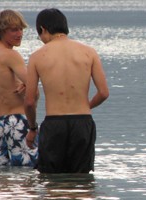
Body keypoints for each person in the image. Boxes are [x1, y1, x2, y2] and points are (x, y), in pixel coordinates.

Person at [24, 8, 109, 173]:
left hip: (54, 124)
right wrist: (85, 106)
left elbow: (29, 101)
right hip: (83, 122)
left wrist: (33, 129)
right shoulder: (89, 52)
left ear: (42, 29)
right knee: (81, 181)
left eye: (39, 36)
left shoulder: (37, 56)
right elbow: (104, 93)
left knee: (51, 182)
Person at [0, 9, 40, 166]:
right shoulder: (11, 55)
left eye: (21, 29)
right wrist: (33, 92)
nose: (20, 34)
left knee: (3, 181)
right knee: (30, 175)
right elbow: (34, 92)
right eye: (14, 29)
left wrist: (26, 84)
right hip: (18, 121)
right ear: (1, 30)